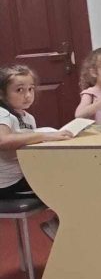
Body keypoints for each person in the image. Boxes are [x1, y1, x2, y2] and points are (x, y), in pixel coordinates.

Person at [0, 65, 70, 238]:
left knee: (70, 180)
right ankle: (58, 225)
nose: (28, 95)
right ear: (2, 94)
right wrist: (44, 135)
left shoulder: (28, 118)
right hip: (7, 185)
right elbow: (3, 140)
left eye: (31, 89)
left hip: (24, 176)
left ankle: (60, 223)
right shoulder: (3, 114)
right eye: (19, 90)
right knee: (66, 186)